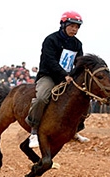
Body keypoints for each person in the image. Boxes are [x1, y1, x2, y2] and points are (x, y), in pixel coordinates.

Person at [25, 11, 89, 148]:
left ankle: (75, 130)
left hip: (67, 78)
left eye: (77, 27)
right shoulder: (51, 40)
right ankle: (34, 132)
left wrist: (76, 75)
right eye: (72, 26)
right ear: (63, 24)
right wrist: (63, 75)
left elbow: (78, 63)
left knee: (83, 98)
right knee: (41, 98)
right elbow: (49, 61)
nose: (75, 29)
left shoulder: (77, 44)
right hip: (48, 76)